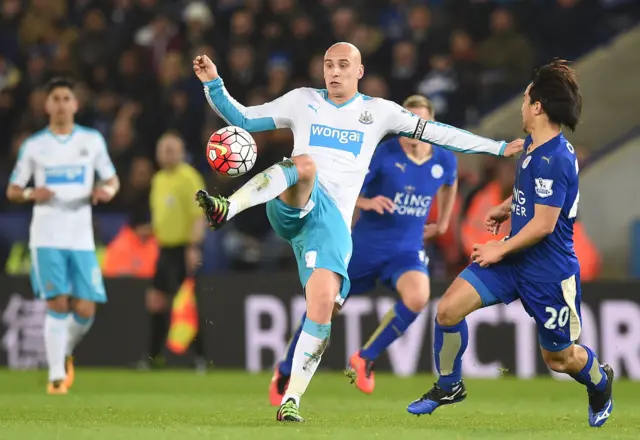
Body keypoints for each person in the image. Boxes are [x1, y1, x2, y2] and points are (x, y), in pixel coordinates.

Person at [192, 43, 523, 422]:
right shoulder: (302, 101)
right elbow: (246, 119)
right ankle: (227, 207)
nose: (334, 72)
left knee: (322, 306)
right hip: (294, 202)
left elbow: (438, 133)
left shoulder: (377, 112)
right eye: (328, 65)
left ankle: (291, 400)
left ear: (359, 71)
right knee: (304, 164)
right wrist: (213, 83)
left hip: (330, 226)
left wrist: (497, 147)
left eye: (343, 65)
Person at [406, 59, 614, 428]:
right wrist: (506, 207)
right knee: (448, 310)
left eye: (525, 98)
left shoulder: (555, 158)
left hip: (548, 272)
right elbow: (531, 194)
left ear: (538, 107)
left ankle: (599, 379)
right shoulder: (534, 144)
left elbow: (545, 224)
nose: (521, 105)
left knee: (560, 359)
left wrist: (498, 247)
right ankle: (450, 385)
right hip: (514, 259)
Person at [268, 95, 458, 406]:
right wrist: (367, 202)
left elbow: (451, 184)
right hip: (363, 247)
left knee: (418, 296)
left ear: (431, 126)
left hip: (406, 250)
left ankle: (365, 358)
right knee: (324, 305)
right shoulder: (383, 154)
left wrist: (443, 221)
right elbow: (340, 187)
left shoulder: (444, 159)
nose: (412, 131)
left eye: (419, 124)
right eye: (407, 124)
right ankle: (287, 369)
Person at [6, 77, 120, 395]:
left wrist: (106, 191)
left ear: (75, 104)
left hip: (81, 236)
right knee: (57, 303)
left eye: (65, 98)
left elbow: (112, 180)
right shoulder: (34, 146)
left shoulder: (92, 141)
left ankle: (61, 350)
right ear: (46, 106)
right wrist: (31, 193)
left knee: (85, 309)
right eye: (54, 98)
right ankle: (56, 377)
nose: (60, 104)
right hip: (46, 235)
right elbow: (13, 190)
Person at [142, 131, 208, 372]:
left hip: (183, 248)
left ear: (181, 152)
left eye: (172, 149)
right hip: (164, 247)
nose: (167, 154)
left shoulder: (188, 177)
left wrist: (193, 246)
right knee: (156, 301)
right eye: (164, 149)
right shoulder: (159, 179)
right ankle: (154, 356)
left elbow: (199, 214)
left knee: (186, 304)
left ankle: (200, 357)